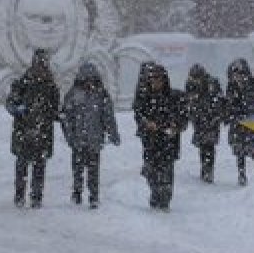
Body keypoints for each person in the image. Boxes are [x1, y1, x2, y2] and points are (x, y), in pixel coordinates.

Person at [60, 62, 120, 209]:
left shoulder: (101, 95)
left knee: (93, 171)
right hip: (78, 140)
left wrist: (113, 133)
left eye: (91, 79)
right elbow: (66, 117)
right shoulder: (74, 94)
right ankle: (77, 193)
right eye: (86, 79)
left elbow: (108, 116)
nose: (89, 82)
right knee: (77, 169)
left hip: (94, 140)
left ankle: (94, 196)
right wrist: (70, 136)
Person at [5, 48, 60, 209]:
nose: (41, 68)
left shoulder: (50, 86)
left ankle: (36, 197)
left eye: (43, 64)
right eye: (39, 64)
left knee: (38, 166)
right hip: (25, 131)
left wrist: (58, 115)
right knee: (23, 165)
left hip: (42, 133)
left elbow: (55, 109)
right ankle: (20, 196)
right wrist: (17, 109)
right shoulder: (23, 82)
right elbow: (10, 103)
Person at [133, 62, 188, 211]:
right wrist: (146, 124)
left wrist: (175, 127)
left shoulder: (174, 97)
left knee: (166, 174)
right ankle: (155, 193)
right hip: (150, 141)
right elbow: (138, 115)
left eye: (159, 79)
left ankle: (164, 201)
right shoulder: (144, 98)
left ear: (164, 80)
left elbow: (183, 118)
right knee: (151, 171)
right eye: (153, 79)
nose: (156, 83)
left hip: (168, 142)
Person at [224, 58, 254, 186]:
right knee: (239, 151)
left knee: (253, 149)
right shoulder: (231, 88)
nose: (237, 77)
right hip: (238, 124)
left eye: (239, 74)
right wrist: (231, 114)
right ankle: (241, 174)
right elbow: (228, 106)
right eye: (234, 74)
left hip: (253, 123)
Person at [184, 63, 225, 184]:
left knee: (209, 145)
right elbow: (188, 99)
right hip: (198, 119)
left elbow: (219, 100)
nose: (195, 80)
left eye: (197, 78)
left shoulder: (212, 83)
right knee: (202, 145)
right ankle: (204, 168)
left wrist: (216, 114)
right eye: (193, 78)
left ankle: (208, 171)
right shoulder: (190, 84)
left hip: (211, 119)